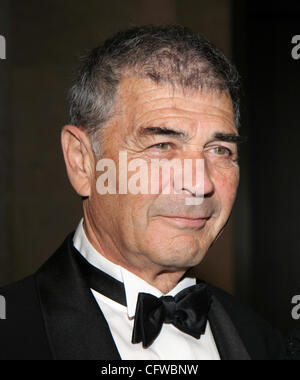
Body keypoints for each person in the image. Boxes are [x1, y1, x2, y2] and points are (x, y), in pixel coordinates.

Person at [0, 25, 285, 360]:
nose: (200, 184)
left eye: (220, 150)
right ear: (82, 163)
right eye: (162, 145)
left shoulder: (263, 341)